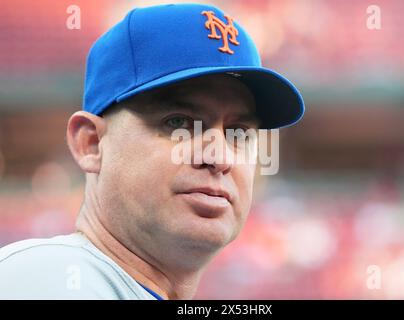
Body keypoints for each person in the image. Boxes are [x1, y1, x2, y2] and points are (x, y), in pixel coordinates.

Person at [0, 3, 304, 299]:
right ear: (91, 143)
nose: (219, 157)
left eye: (238, 133)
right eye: (179, 122)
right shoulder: (47, 279)